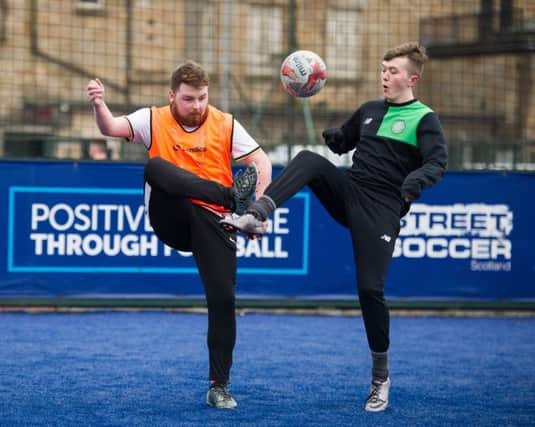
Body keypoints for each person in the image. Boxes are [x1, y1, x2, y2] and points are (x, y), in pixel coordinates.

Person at [221, 42, 448, 412]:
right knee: (309, 158)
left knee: (369, 289)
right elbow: (345, 142)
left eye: (392, 71)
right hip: (351, 192)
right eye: (382, 69)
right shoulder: (371, 110)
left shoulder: (425, 120)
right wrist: (336, 138)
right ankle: (257, 214)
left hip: (383, 209)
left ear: (412, 78)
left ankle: (380, 379)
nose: (385, 76)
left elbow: (437, 164)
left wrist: (412, 185)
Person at [86, 60, 272, 409]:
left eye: (202, 97)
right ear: (172, 95)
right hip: (170, 216)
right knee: (155, 167)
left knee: (223, 300)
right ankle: (228, 195)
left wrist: (256, 210)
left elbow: (261, 163)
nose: (197, 106)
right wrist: (99, 104)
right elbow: (110, 127)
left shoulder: (225, 123)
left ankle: (219, 385)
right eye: (188, 99)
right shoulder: (152, 119)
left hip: (214, 222)